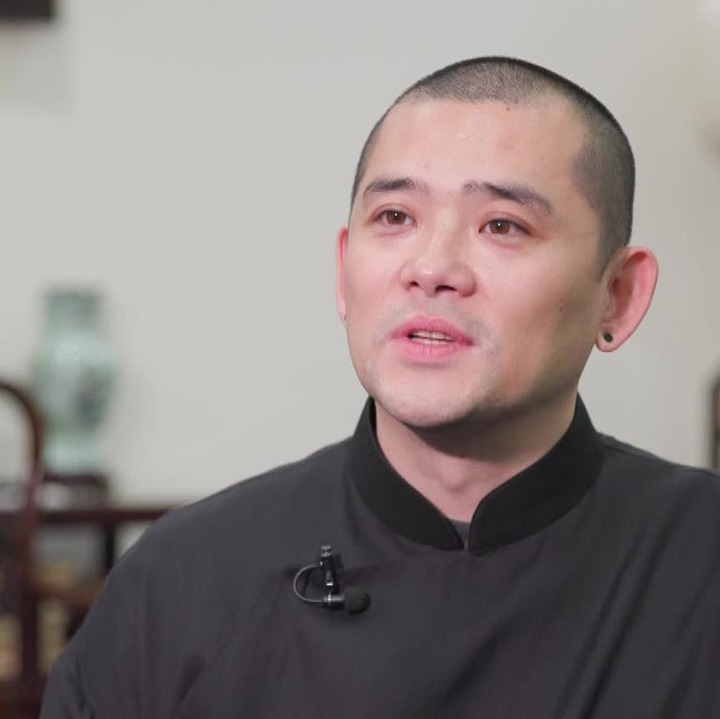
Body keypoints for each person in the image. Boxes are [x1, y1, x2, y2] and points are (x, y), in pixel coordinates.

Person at [41, 57, 720, 718]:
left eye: (502, 225)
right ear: (344, 272)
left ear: (618, 295)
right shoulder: (181, 581)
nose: (432, 268)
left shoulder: (699, 561)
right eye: (395, 217)